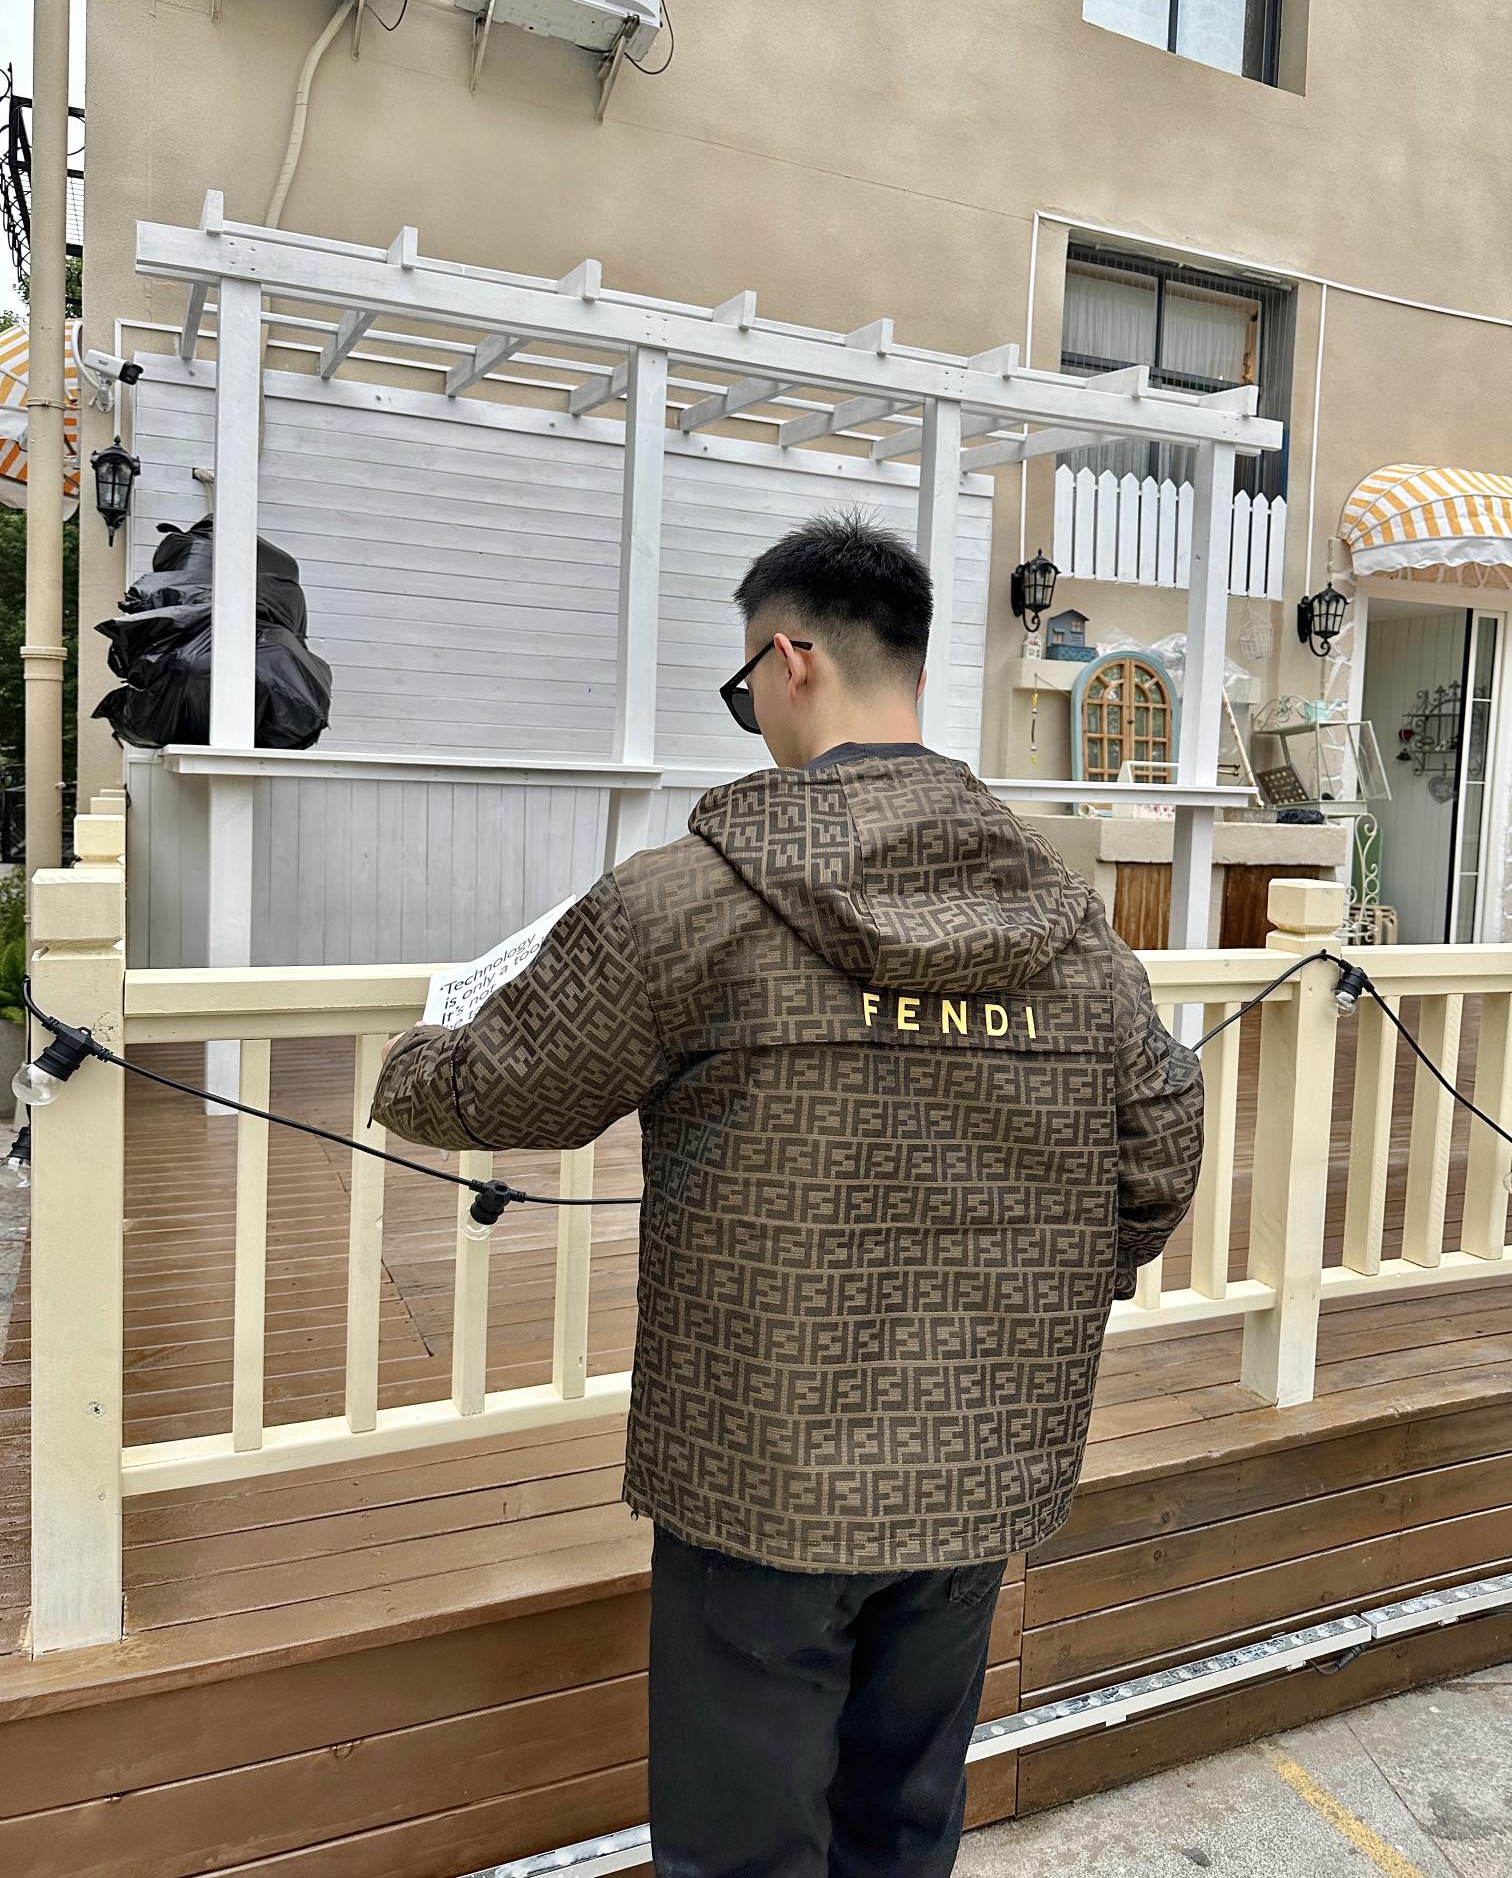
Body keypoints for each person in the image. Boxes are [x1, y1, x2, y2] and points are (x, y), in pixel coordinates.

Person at [371, 511, 1204, 1877]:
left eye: (744, 683)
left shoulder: (689, 901)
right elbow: (1160, 1141)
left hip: (760, 1464)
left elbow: (503, 1091)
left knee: (740, 1849)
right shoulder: (1067, 922)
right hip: (981, 1455)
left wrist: (415, 1054)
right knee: (901, 1823)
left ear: (791, 659)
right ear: (913, 672)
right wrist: (1048, 1288)